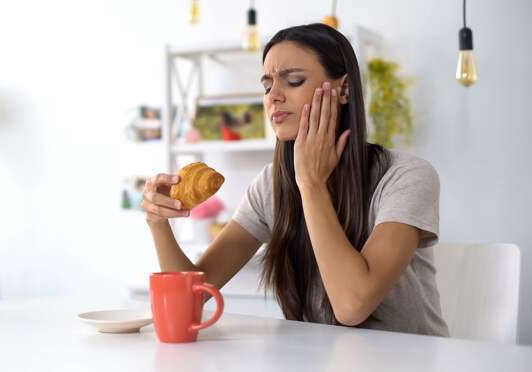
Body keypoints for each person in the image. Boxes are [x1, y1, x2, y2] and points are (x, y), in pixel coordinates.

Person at [141, 23, 449, 337]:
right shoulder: (271, 185)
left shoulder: (406, 177)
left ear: (343, 90)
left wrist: (311, 184)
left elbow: (352, 306)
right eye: (266, 85)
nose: (273, 96)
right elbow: (195, 295)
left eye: (293, 80)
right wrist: (157, 221)